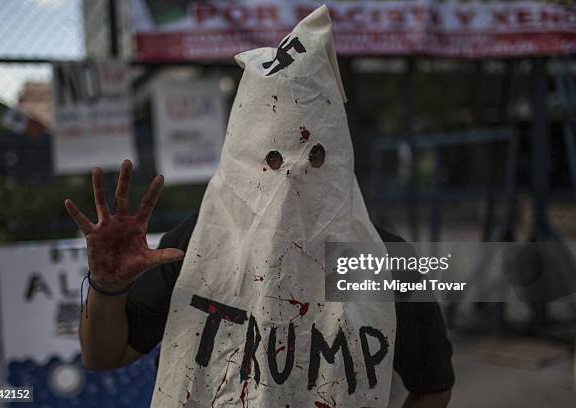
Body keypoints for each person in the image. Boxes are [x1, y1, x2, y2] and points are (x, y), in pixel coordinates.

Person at [66, 6, 453, 407]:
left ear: (340, 157)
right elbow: (104, 356)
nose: (291, 175)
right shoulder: (197, 248)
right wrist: (107, 290)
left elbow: (433, 384)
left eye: (315, 156)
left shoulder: (381, 263)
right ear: (241, 159)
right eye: (271, 160)